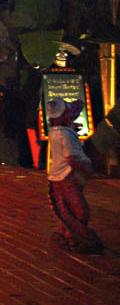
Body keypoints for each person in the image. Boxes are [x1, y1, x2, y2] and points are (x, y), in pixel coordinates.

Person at [45, 96, 102, 254]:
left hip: (59, 176)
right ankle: (77, 236)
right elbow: (72, 157)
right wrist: (87, 168)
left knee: (64, 207)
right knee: (79, 210)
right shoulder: (65, 135)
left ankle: (67, 233)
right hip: (67, 177)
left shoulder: (57, 131)